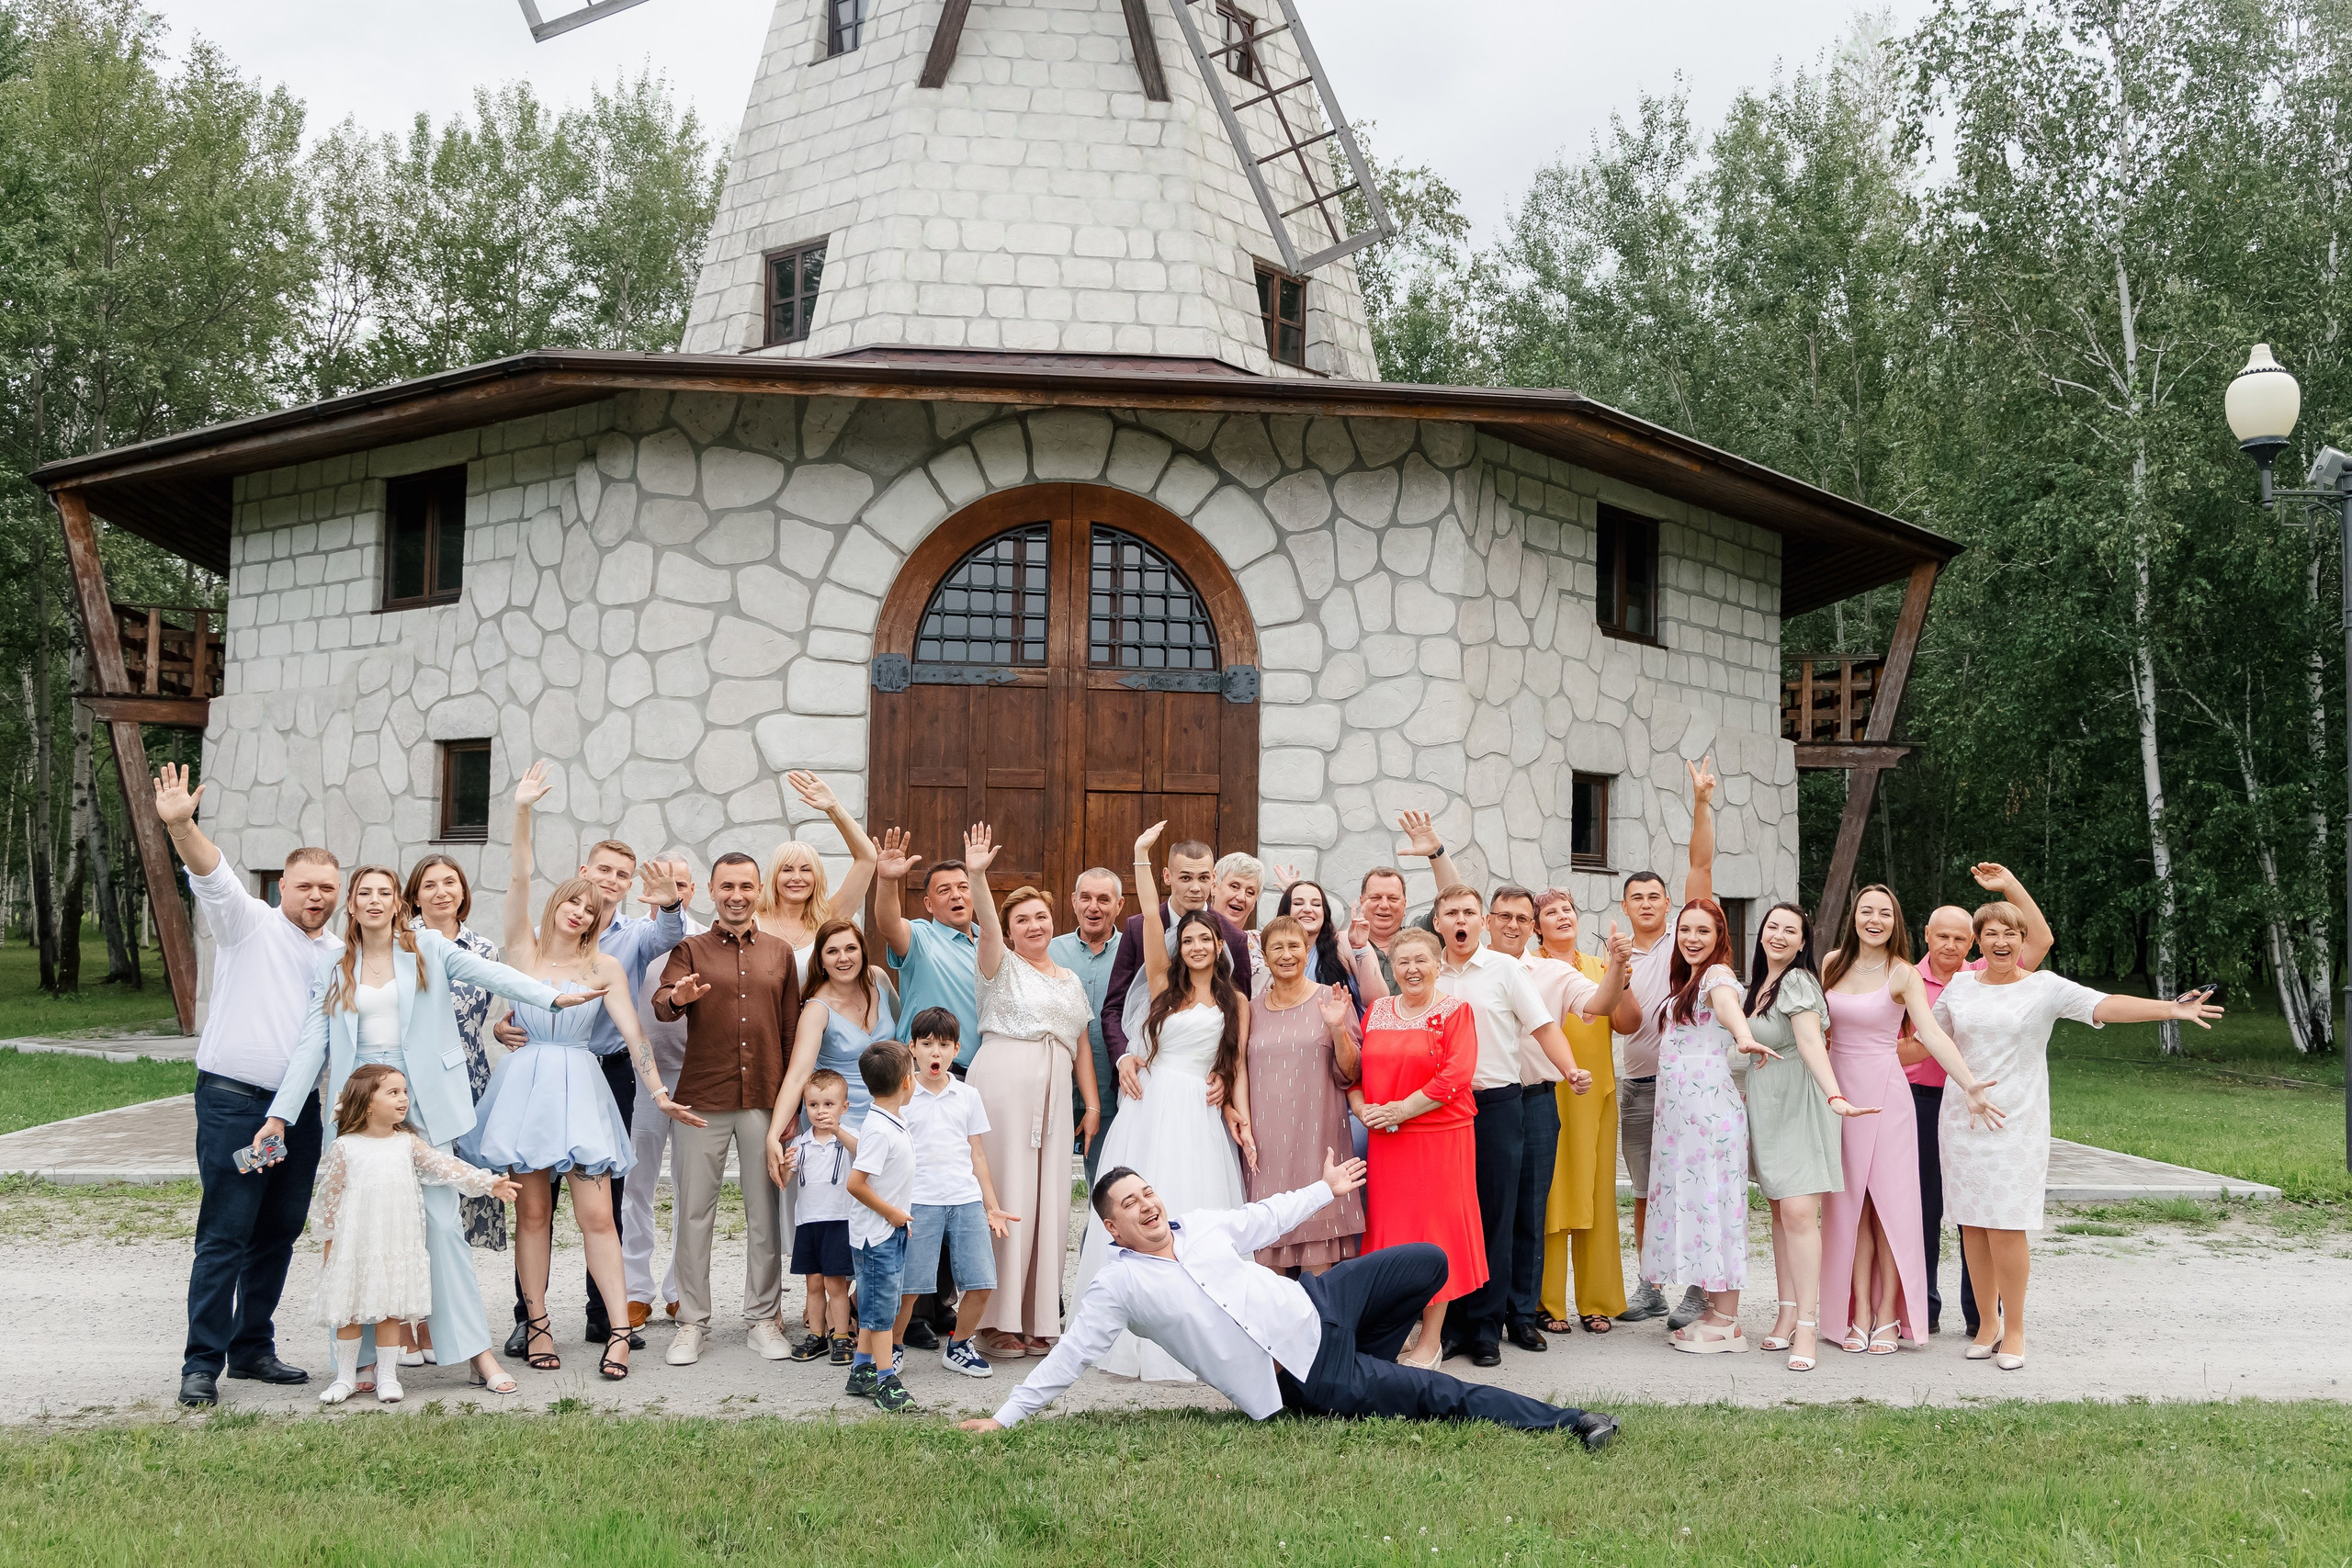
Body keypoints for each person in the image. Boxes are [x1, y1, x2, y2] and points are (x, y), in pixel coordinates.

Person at [960, 1155, 1619, 1450]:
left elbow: (1266, 1217)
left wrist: (1325, 1188)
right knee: (1438, 1394)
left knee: (1429, 1262)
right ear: (1112, 1226)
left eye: (1147, 1192)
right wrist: (1006, 1418)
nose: (1147, 1204)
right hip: (1306, 1373)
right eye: (1130, 1204)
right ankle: (1572, 1422)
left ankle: (1373, 1363)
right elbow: (1072, 1355)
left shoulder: (1199, 1226)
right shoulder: (1119, 1285)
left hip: (1321, 1301)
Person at [257, 864, 592, 1396]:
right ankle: (362, 1363)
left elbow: (492, 975)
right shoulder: (333, 964)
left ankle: (477, 1354)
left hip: (424, 1099)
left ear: (397, 903)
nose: (373, 901)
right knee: (358, 1232)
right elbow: (311, 1044)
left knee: (443, 1227)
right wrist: (279, 1115)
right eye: (363, 893)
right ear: (352, 904)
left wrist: (549, 998)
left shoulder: (428, 948)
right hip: (359, 1107)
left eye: (384, 893)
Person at [469, 786, 698, 1382]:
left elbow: (635, 1034)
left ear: (598, 919)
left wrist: (659, 1093)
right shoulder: (521, 950)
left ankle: (618, 1330)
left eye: (590, 910)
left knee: (598, 1215)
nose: (579, 913)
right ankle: (538, 1323)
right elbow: (517, 875)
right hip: (526, 1091)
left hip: (584, 1085)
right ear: (557, 902)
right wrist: (521, 810)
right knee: (533, 1215)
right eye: (572, 902)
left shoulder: (605, 965)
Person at [1933, 902, 2220, 1369]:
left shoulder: (2044, 987)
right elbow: (1931, 1038)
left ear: (2023, 940)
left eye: (2011, 933)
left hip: (2016, 1124)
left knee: (2006, 1225)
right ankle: (1987, 1325)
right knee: (1974, 1225)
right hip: (1962, 1120)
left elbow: (2104, 1004)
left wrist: (2171, 1008)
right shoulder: (1960, 987)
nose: (2001, 942)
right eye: (1991, 934)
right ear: (1977, 942)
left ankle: (2015, 1331)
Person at [153, 762, 343, 1408]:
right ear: (282, 885)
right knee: (226, 1231)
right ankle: (201, 1363)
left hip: (298, 1114)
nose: (316, 896)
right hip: (237, 1106)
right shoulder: (248, 922)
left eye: (327, 887)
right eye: (305, 885)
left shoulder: (338, 954)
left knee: (279, 1230)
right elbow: (210, 869)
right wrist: (181, 825)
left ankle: (252, 1348)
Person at [1081, 822, 1252, 1380]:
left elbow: (1236, 1060)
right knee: (1139, 1201)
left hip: (1200, 1111)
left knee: (1194, 1207)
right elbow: (1153, 923)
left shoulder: (1236, 1002)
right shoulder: (1162, 985)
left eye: (1207, 939)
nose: (1197, 946)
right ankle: (1129, 1327)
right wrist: (1138, 856)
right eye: (1190, 940)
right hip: (1150, 1106)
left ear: (1220, 945)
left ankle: (1201, 1331)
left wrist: (1236, 1106)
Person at [1818, 884, 1997, 1356]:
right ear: (1854, 916)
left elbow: (1931, 1034)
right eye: (1866, 911)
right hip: (1838, 1095)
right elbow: (1815, 1031)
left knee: (1890, 1208)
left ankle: (1887, 1315)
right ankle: (1857, 1313)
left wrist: (1968, 1082)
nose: (1874, 920)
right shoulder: (1832, 963)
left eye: (1884, 913)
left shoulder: (1902, 973)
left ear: (1895, 922)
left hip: (1887, 1097)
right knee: (1851, 1207)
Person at [1429, 885, 1593, 1366]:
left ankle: (1485, 1328)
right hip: (1440, 1110)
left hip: (1498, 1105)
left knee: (1498, 1218)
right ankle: (1451, 1327)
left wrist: (1570, 1070)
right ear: (1438, 922)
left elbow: (1544, 1026)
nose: (1461, 920)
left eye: (1469, 912)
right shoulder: (1427, 971)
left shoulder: (1505, 970)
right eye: (1451, 912)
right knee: (1452, 1219)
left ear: (1482, 922)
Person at [650, 851, 802, 1367]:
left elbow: (789, 1031)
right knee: (694, 1213)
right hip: (703, 1098)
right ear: (712, 891)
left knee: (765, 1214)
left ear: (759, 891)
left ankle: (763, 1319)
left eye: (746, 886)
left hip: (764, 1100)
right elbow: (662, 1006)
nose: (737, 896)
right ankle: (692, 1322)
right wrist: (679, 997)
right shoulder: (689, 949)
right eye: (727, 887)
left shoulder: (781, 953)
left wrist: (789, 1109)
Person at [963, 826, 1099, 1359]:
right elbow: (986, 923)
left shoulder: (1069, 979)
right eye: (1022, 920)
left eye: (1040, 916)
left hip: (1055, 1096)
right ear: (1010, 931)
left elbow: (1081, 1044)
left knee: (1050, 1205)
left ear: (1052, 921)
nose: (1034, 925)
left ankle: (1039, 1317)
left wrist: (1091, 1104)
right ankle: (992, 1320)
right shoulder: (998, 965)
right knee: (1007, 1196)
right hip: (1004, 1088)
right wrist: (978, 876)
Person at [308, 1066, 519, 1404]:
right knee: (349, 1311)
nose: (403, 1099)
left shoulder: (407, 1143)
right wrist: (330, 1246)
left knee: (391, 1309)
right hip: (355, 1245)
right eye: (393, 1093)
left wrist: (487, 1182)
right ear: (367, 1103)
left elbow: (445, 1166)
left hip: (395, 1243)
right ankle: (344, 1378)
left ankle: (388, 1377)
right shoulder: (345, 1147)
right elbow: (330, 1201)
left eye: (404, 1091)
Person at [1911, 864, 2052, 1336]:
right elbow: (1905, 1043)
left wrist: (2010, 886)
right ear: (1926, 936)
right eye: (1942, 936)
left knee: (1979, 1213)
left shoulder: (1984, 974)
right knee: (1926, 1210)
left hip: (1975, 1109)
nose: (1951, 945)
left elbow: (2040, 939)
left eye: (1960, 938)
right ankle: (1922, 1313)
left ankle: (1982, 1319)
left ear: (1971, 942)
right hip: (1919, 1101)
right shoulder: (1906, 978)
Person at [1740, 902, 1877, 1372]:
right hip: (1768, 1104)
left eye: (1790, 930)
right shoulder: (1759, 985)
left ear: (1803, 943)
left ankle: (1807, 1327)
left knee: (1799, 1213)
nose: (1779, 935)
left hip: (1802, 1099)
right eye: (1772, 926)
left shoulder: (1797, 980)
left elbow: (1810, 1042)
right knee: (1780, 1212)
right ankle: (1785, 1314)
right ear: (1762, 933)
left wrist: (1834, 1094)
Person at [1607, 757, 1718, 1330]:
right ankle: (1650, 1287)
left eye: (1655, 895)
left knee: (1692, 1188)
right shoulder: (1618, 956)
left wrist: (1700, 802)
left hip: (1691, 1087)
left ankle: (1697, 1290)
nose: (1648, 903)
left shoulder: (1686, 937)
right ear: (1625, 906)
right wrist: (1619, 973)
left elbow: (1700, 864)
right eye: (1638, 897)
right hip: (1640, 1084)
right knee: (1647, 1191)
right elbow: (1623, 1025)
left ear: (1668, 904)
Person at [1351, 928, 1483, 1370]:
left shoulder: (1455, 1011)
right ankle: (1398, 1330)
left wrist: (1400, 1110)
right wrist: (1363, 1109)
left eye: (1421, 960)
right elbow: (1356, 1076)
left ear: (1438, 965)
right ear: (1391, 967)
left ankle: (1431, 1340)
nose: (1412, 969)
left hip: (1438, 1138)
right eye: (1403, 961)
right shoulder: (1377, 1011)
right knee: (1390, 1234)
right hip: (1387, 1142)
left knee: (1434, 1235)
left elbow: (1455, 1076)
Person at [1520, 890, 1633, 1337]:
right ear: (1536, 926)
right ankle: (1545, 1301)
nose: (1562, 916)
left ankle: (1596, 1300)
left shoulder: (1601, 967)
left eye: (1567, 909)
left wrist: (1621, 971)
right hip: (1546, 1092)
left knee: (1597, 1196)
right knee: (1547, 1195)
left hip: (1594, 1093)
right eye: (1551, 912)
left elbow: (1628, 1023)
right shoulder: (1527, 968)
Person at [893, 1016, 1017, 1378]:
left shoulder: (968, 1095)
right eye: (927, 1044)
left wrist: (992, 1206)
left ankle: (959, 1346)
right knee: (909, 1289)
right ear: (912, 1048)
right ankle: (893, 1348)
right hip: (918, 1203)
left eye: (944, 1045)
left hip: (965, 1200)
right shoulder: (901, 1095)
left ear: (956, 1050)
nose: (936, 1052)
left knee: (982, 1282)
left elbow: (977, 1153)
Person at [1243, 916, 1363, 1272]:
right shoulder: (1250, 1010)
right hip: (1265, 1146)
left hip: (1317, 1137)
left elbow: (1352, 1071)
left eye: (1294, 946)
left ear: (1307, 950)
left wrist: (1337, 1028)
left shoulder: (1331, 999)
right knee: (1267, 1253)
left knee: (1318, 1258)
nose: (1286, 955)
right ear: (1265, 956)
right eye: (1277, 948)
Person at [404, 854, 508, 1258]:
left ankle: (455, 1276)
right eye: (429, 885)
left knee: (465, 1176)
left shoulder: (483, 949)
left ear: (463, 891)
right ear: (415, 896)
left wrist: (499, 1030)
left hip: (469, 1075)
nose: (441, 892)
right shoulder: (398, 942)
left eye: (450, 882)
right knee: (418, 1178)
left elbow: (483, 1016)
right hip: (411, 1077)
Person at [621, 872, 703, 1329]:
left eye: (683, 884)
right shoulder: (633, 939)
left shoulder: (706, 939)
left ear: (693, 891)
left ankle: (678, 1289)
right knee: (637, 1184)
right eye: (665, 885)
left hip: (696, 1076)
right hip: (642, 1077)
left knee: (690, 1186)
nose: (674, 892)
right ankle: (636, 1290)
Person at [1102, 836, 1254, 1074]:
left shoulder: (1234, 939)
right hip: (1144, 1072)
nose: (1195, 888)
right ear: (1167, 876)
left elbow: (1238, 1020)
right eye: (1185, 878)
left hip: (1205, 1077)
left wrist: (1225, 1073)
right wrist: (1123, 1058)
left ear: (1214, 878)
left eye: (1203, 878)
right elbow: (1115, 1007)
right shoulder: (1138, 928)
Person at [843, 1040, 920, 1413]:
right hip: (876, 1236)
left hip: (890, 1231)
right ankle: (886, 1381)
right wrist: (891, 1213)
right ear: (906, 1082)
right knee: (882, 1313)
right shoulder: (879, 1130)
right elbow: (855, 1184)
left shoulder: (890, 1122)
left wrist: (897, 1217)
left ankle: (861, 1370)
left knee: (877, 1305)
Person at [755, 770, 881, 981]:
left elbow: (868, 857)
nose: (797, 877)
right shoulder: (753, 921)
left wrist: (834, 808)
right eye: (787, 869)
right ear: (774, 878)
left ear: (817, 879)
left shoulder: (830, 916)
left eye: (806, 870)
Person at [874, 830, 983, 1066]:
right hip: (929, 1070)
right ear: (928, 904)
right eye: (944, 890)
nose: (956, 895)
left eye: (963, 887)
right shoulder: (923, 937)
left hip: (984, 1073)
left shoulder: (990, 942)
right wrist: (887, 881)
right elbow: (889, 926)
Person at [1049, 867, 1125, 1182]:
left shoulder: (1134, 953)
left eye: (1103, 899)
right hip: (1054, 1095)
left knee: (1108, 1185)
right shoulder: (1048, 950)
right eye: (1086, 898)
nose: (1093, 907)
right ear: (1073, 901)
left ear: (1119, 905)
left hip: (1113, 1095)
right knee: (1049, 1188)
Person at [784, 1069, 859, 1365]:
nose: (821, 1111)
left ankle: (840, 1334)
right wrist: (784, 1166)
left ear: (844, 1107)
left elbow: (863, 1153)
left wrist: (838, 1131)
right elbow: (783, 1181)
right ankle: (817, 1335)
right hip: (808, 1222)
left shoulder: (849, 1138)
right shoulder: (800, 1143)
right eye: (813, 1105)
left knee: (835, 1285)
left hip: (838, 1221)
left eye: (829, 1104)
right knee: (813, 1284)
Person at [1351, 811, 1463, 990]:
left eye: (1393, 898)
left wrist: (1436, 853)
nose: (1384, 905)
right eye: (1376, 897)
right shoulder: (1345, 945)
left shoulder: (1421, 935)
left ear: (1405, 904)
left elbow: (1454, 901)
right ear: (1362, 901)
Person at [1271, 875, 1388, 1014]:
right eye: (1298, 903)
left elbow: (1379, 1001)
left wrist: (1360, 948)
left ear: (1324, 912)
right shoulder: (1277, 954)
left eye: (1316, 904)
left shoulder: (1343, 942)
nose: (1308, 909)